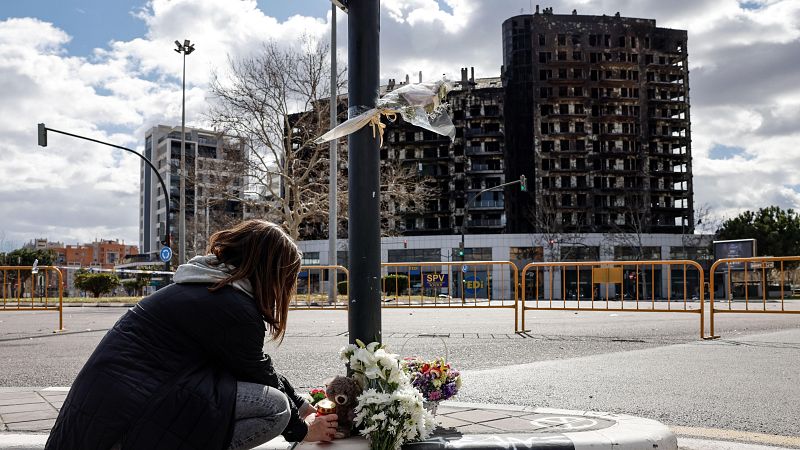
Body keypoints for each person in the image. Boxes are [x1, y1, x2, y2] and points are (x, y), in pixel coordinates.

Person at [45, 220, 338, 450]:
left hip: (107, 414)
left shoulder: (207, 286)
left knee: (274, 401)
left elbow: (254, 365)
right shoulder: (232, 307)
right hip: (118, 427)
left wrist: (302, 404)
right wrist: (302, 431)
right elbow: (257, 374)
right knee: (273, 407)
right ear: (269, 273)